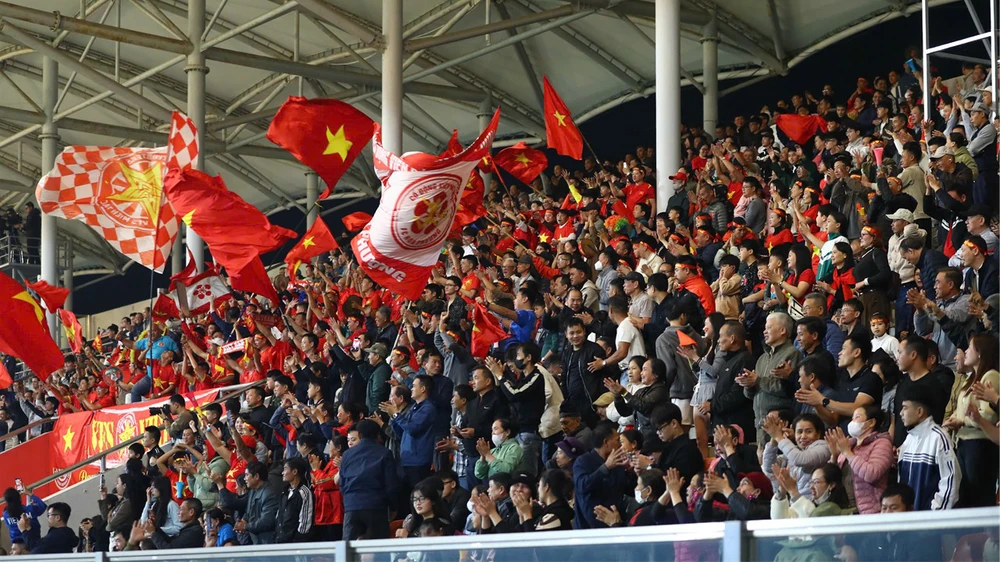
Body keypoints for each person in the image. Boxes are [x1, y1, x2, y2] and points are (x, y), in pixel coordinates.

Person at [944, 333, 999, 507]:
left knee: (978, 497)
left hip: (980, 446)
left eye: (969, 347)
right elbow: (963, 410)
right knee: (965, 495)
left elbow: (988, 415)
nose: (965, 352)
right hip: (964, 444)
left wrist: (962, 421)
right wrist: (955, 418)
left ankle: (987, 534)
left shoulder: (991, 376)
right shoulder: (972, 377)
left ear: (981, 352)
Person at [897, 384, 961, 510]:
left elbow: (951, 480)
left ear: (919, 411)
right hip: (908, 521)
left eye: (905, 408)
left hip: (929, 522)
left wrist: (935, 514)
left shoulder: (939, 437)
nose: (901, 413)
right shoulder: (908, 439)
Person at [337, 420, 399, 540]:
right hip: (376, 507)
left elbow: (342, 483)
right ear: (378, 435)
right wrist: (394, 507)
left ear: (359, 435)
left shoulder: (347, 454)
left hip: (351, 506)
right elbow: (391, 485)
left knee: (349, 553)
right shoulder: (385, 453)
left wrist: (349, 501)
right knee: (377, 551)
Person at [826, 406, 893, 515]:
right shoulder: (850, 444)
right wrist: (834, 456)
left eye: (857, 417)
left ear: (871, 422)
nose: (852, 421)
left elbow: (871, 474)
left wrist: (847, 452)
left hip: (870, 511)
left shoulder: (882, 443)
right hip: (846, 510)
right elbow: (834, 477)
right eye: (852, 418)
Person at [382, 374, 437, 492]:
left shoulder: (428, 408)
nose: (411, 388)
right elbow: (401, 433)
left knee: (419, 495)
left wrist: (396, 414)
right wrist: (393, 416)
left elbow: (413, 428)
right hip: (406, 459)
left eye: (413, 386)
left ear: (423, 389)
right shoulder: (414, 407)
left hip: (418, 461)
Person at [573, 422, 628, 529]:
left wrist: (635, 471)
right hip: (587, 530)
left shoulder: (617, 463)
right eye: (617, 440)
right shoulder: (583, 461)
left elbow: (625, 488)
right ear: (606, 442)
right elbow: (582, 485)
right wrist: (605, 467)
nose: (620, 445)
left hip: (614, 525)